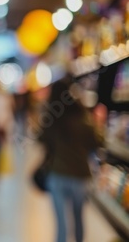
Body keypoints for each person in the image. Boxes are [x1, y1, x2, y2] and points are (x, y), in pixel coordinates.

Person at [36, 77, 102, 242]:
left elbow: (41, 139)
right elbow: (98, 142)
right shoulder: (82, 118)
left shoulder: (52, 120)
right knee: (79, 218)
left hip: (57, 174)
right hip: (80, 175)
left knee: (61, 223)